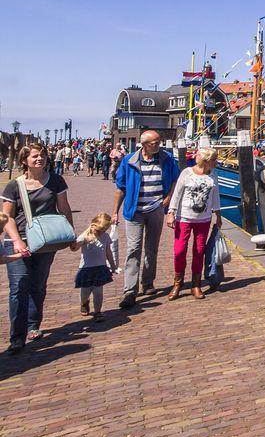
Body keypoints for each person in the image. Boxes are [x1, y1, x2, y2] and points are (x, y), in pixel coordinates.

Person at [1, 143, 75, 353]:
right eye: (35, 156)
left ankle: (33, 325)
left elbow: (65, 208)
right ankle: (17, 336)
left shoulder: (55, 180)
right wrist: (17, 241)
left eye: (42, 155)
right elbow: (6, 217)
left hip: (46, 241)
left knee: (38, 284)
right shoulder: (14, 186)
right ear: (25, 160)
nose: (40, 159)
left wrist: (70, 234)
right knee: (19, 286)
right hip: (19, 240)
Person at [113, 130, 180, 308]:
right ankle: (130, 290)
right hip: (134, 210)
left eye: (159, 142)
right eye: (154, 143)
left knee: (152, 248)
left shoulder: (166, 159)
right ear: (144, 144)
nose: (158, 146)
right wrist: (115, 212)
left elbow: (175, 179)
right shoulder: (129, 161)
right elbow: (120, 187)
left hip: (156, 209)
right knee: (133, 248)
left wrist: (168, 199)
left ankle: (148, 282)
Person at [166, 148, 223, 300]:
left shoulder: (213, 175)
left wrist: (218, 215)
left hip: (203, 219)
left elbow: (215, 196)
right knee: (179, 251)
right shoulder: (187, 173)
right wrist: (171, 212)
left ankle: (196, 284)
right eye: (214, 160)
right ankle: (177, 284)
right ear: (206, 161)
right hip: (184, 217)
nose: (216, 163)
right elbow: (177, 193)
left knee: (199, 252)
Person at [69, 213, 117, 321]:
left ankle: (97, 312)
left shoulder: (105, 237)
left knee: (98, 292)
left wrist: (113, 265)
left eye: (103, 231)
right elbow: (74, 248)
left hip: (100, 268)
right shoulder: (85, 236)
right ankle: (84, 302)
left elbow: (108, 252)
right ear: (93, 225)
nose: (100, 233)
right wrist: (72, 243)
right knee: (85, 291)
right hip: (86, 269)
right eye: (98, 230)